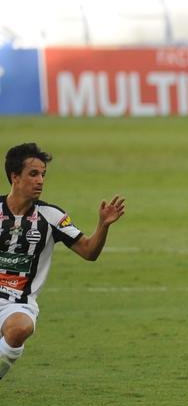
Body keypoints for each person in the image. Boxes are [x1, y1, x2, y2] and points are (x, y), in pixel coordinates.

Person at [0, 142, 125, 383]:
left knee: (20, 328)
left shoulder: (52, 216)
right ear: (14, 177)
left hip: (19, 302)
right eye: (33, 174)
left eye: (43, 175)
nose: (40, 180)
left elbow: (89, 251)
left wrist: (103, 225)